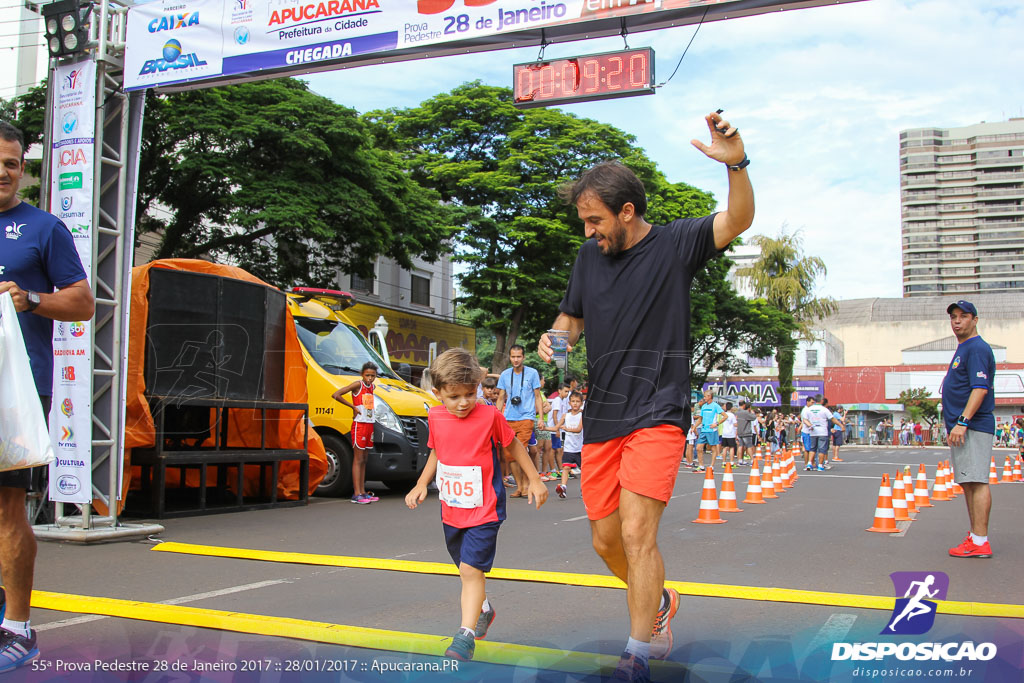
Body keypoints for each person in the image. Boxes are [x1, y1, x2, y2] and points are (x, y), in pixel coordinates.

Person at [538, 110, 754, 681]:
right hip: (603, 413)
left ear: (626, 211)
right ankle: (658, 600)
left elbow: (738, 218)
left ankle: (637, 650)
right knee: (606, 540)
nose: (588, 231)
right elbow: (571, 320)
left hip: (658, 409)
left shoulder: (677, 244)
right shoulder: (589, 258)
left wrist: (737, 165)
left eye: (594, 220)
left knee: (638, 534)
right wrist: (555, 340)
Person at [0, 120, 95, 672]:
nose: (5, 172)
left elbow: (82, 303)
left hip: (16, 391)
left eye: (13, 163)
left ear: (23, 170)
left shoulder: (43, 228)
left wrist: (30, 299)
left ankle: (19, 628)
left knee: (8, 508)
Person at [405, 348, 547, 661]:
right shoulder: (436, 416)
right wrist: (420, 483)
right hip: (452, 508)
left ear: (479, 387)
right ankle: (483, 608)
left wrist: (534, 480)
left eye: (471, 393)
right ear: (438, 392)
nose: (464, 403)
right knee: (464, 567)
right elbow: (436, 452)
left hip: (485, 509)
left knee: (471, 570)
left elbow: (514, 446)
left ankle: (465, 636)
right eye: (454, 396)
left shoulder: (490, 416)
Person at [941, 300, 996, 559]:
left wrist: (962, 422)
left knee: (977, 481)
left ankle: (980, 540)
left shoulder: (976, 348)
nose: (957, 321)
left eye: (963, 316)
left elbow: (980, 388)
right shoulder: (965, 348)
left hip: (972, 426)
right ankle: (975, 536)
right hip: (962, 427)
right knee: (969, 483)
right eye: (953, 317)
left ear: (975, 320)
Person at [496, 345, 545, 498]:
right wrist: (496, 417)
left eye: (518, 356)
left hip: (526, 417)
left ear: (523, 357)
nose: (516, 360)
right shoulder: (505, 374)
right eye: (513, 357)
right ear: (509, 357)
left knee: (521, 450)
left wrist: (541, 418)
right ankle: (520, 486)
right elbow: (500, 397)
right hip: (508, 418)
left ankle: (526, 484)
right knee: (509, 454)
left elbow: (538, 397)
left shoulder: (532, 373)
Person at [332, 362, 381, 504]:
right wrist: (352, 406)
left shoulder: (372, 387)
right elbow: (336, 394)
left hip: (369, 425)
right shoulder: (357, 385)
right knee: (358, 459)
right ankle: (356, 493)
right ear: (362, 374)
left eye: (373, 376)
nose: (370, 378)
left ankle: (363, 492)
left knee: (365, 460)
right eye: (367, 375)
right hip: (359, 425)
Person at [555, 391, 585, 499]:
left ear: (581, 403)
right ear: (569, 403)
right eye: (573, 401)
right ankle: (563, 487)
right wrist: (543, 427)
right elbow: (555, 427)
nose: (575, 403)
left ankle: (584, 489)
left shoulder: (582, 415)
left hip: (580, 448)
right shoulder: (566, 416)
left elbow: (578, 429)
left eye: (577, 401)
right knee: (566, 467)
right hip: (568, 448)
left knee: (584, 470)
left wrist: (567, 429)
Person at [800, 395, 840, 471]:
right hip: (822, 431)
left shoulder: (809, 409)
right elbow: (832, 418)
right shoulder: (824, 409)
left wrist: (810, 425)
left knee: (812, 449)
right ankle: (820, 465)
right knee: (822, 449)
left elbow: (804, 420)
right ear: (821, 400)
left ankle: (809, 463)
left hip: (812, 432)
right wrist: (840, 425)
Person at [692, 390, 724, 472]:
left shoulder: (715, 406)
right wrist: (694, 427)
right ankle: (701, 465)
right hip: (703, 429)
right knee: (699, 447)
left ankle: (712, 466)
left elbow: (725, 416)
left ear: (710, 396)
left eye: (705, 396)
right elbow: (700, 419)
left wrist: (716, 424)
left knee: (713, 448)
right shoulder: (703, 406)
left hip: (712, 430)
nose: (704, 398)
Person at [734, 399, 757, 465]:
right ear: (744, 405)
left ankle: (740, 460)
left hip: (739, 431)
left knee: (740, 446)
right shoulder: (745, 413)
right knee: (749, 446)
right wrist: (751, 412)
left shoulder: (736, 412)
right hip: (746, 432)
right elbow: (754, 417)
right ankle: (752, 460)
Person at [720, 402, 738, 467]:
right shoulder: (732, 415)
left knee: (724, 448)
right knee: (731, 448)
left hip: (724, 433)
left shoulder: (723, 415)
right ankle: (731, 462)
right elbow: (735, 424)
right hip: (731, 433)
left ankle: (724, 462)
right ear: (731, 408)